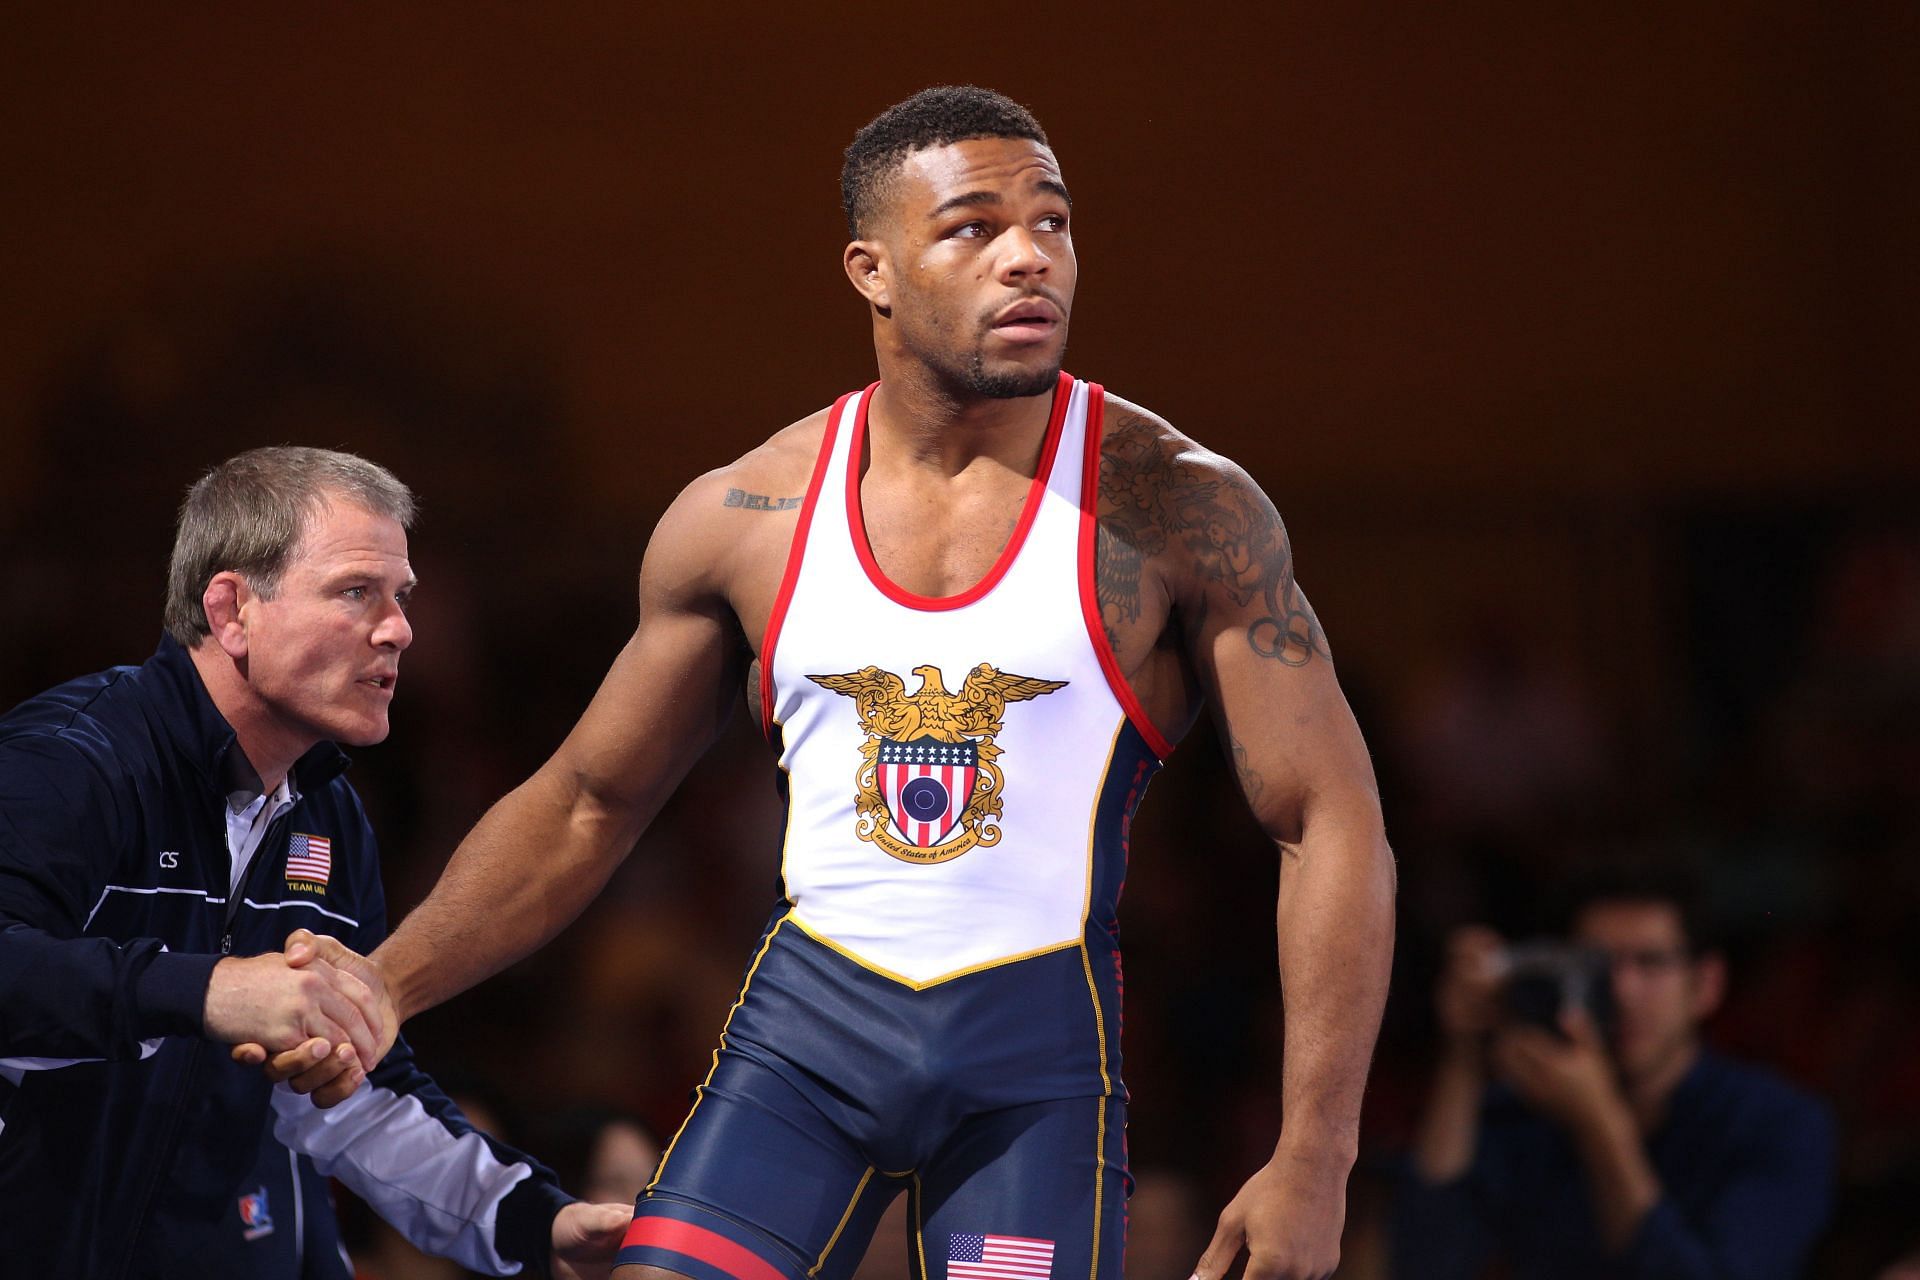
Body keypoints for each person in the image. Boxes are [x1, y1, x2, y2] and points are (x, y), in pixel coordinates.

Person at [275, 86, 1396, 1280]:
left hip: (1034, 1075)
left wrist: (1316, 1153)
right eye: (973, 227)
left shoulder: (1178, 505)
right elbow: (587, 803)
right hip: (806, 1051)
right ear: (872, 269)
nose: (1030, 257)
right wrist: (381, 986)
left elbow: (1326, 821)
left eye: (1054, 223)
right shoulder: (744, 516)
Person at [0, 446, 629, 1278]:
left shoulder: (330, 812)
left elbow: (353, 1089)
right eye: (356, 591)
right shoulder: (69, 762)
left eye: (402, 597)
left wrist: (537, 1222)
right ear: (231, 611)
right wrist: (213, 990)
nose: (399, 627)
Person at [1393, 864, 1836, 1278]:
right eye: (1597, 967)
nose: (1623, 991)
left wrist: (1600, 1124)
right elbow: (1426, 1259)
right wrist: (1463, 1056)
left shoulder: (1780, 1124)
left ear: (1705, 985)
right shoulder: (1525, 1110)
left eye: (1651, 962)